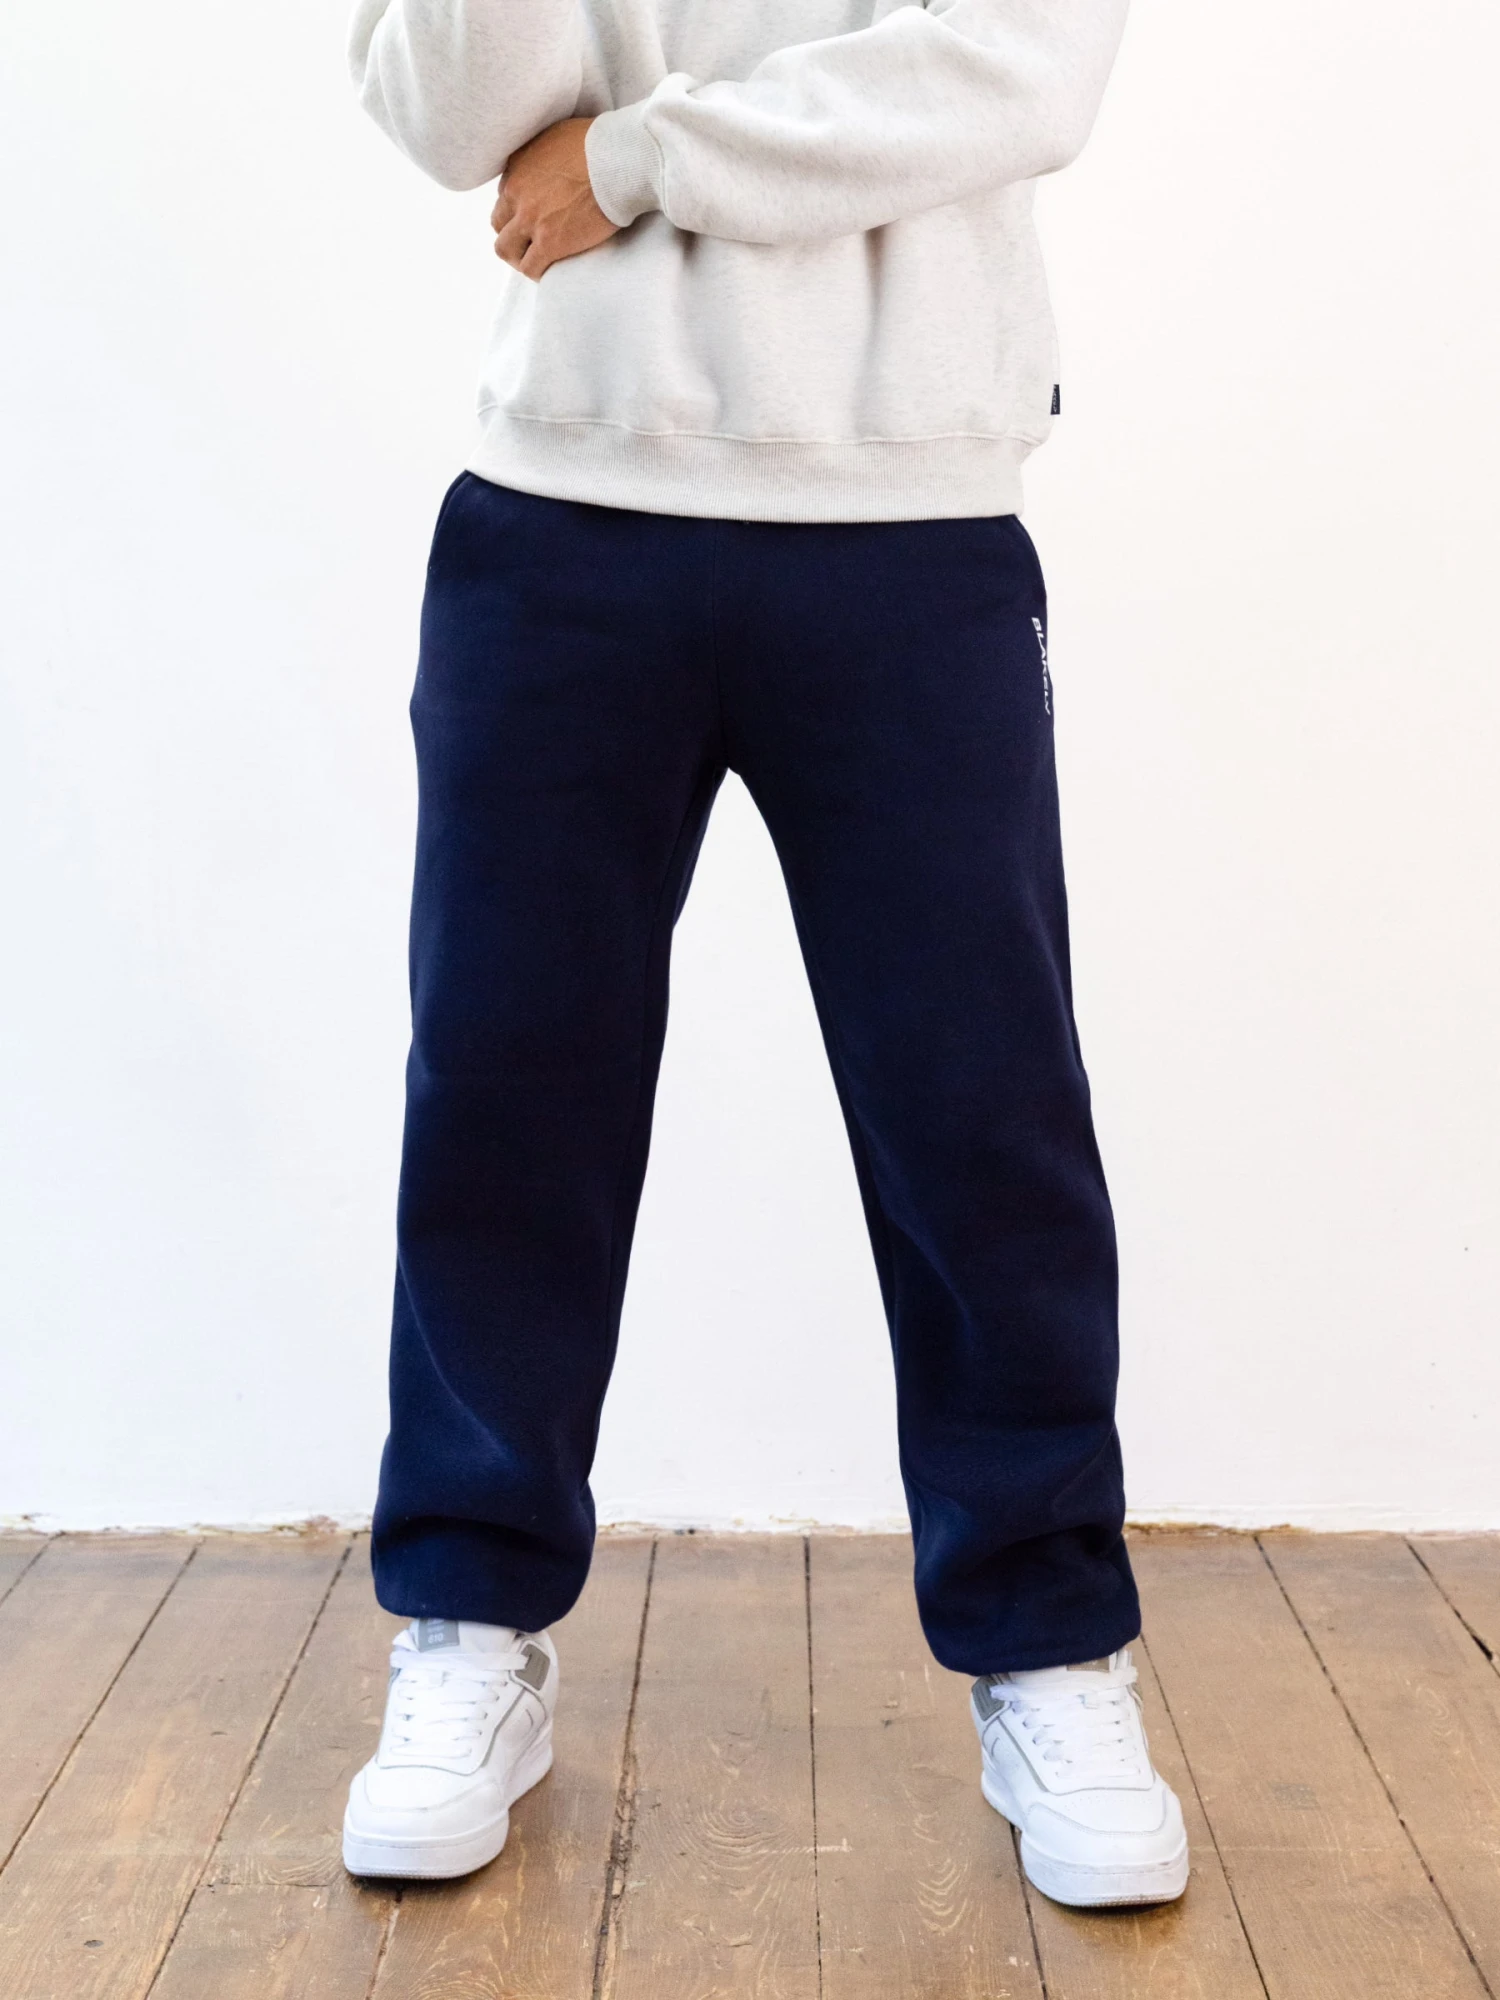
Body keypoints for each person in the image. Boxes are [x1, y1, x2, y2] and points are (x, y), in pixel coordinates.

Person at [338, 0, 1189, 1912]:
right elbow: (449, 117)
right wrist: (580, 147)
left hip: (910, 519)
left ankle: (1050, 1645)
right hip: (558, 511)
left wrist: (639, 157)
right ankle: (470, 1623)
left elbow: (1023, 72)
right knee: (503, 1096)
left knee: (981, 1118)